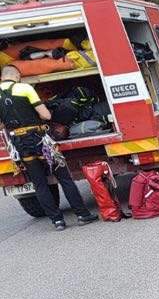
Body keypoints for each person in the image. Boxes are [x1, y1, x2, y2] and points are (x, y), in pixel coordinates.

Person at [0, 65, 96, 230]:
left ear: (2, 77)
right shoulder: (24, 88)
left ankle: (57, 221)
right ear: (17, 76)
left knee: (39, 184)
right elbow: (46, 115)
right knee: (64, 178)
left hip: (20, 143)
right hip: (39, 140)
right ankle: (82, 215)